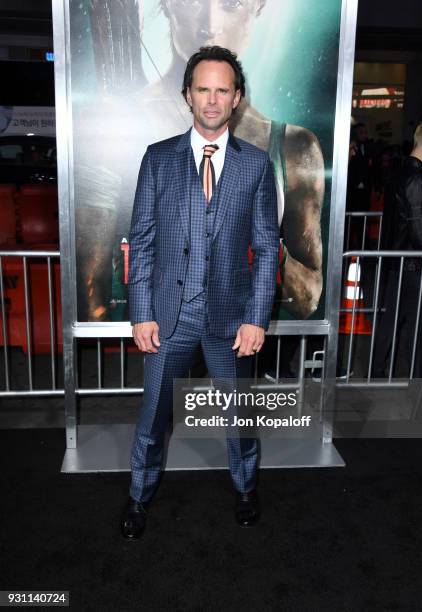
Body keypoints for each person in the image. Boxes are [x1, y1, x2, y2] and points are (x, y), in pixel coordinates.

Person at [77, 0, 324, 321]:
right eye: (192, 1)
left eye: (231, 3)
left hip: (241, 340)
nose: (210, 22)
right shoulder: (117, 130)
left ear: (258, 8)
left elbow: (307, 298)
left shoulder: (292, 146)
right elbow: (91, 296)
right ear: (167, 5)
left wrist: (257, 240)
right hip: (165, 336)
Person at [120, 46, 280, 540]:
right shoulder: (158, 158)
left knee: (239, 417)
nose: (212, 100)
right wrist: (141, 311)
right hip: (168, 316)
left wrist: (257, 317)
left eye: (222, 90)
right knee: (152, 418)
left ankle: (247, 489)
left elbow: (267, 248)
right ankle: (138, 497)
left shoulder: (255, 165)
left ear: (237, 99)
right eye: (203, 89)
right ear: (187, 95)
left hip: (232, 319)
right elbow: (142, 241)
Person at [372, 121, 422, 378]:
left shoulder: (400, 170)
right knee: (415, 324)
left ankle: (377, 368)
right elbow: (418, 228)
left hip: (399, 259)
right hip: (412, 262)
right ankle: (416, 378)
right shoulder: (416, 177)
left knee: (393, 318)